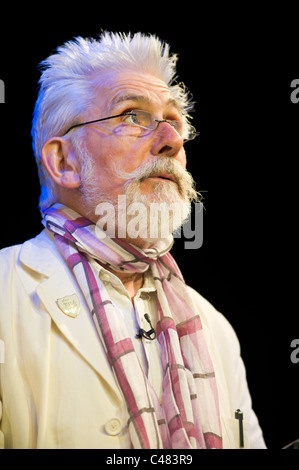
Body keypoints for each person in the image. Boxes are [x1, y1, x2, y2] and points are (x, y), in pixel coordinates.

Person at [0, 32, 266, 449]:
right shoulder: (4, 292)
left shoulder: (214, 327)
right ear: (64, 162)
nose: (171, 140)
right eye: (132, 116)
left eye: (175, 122)